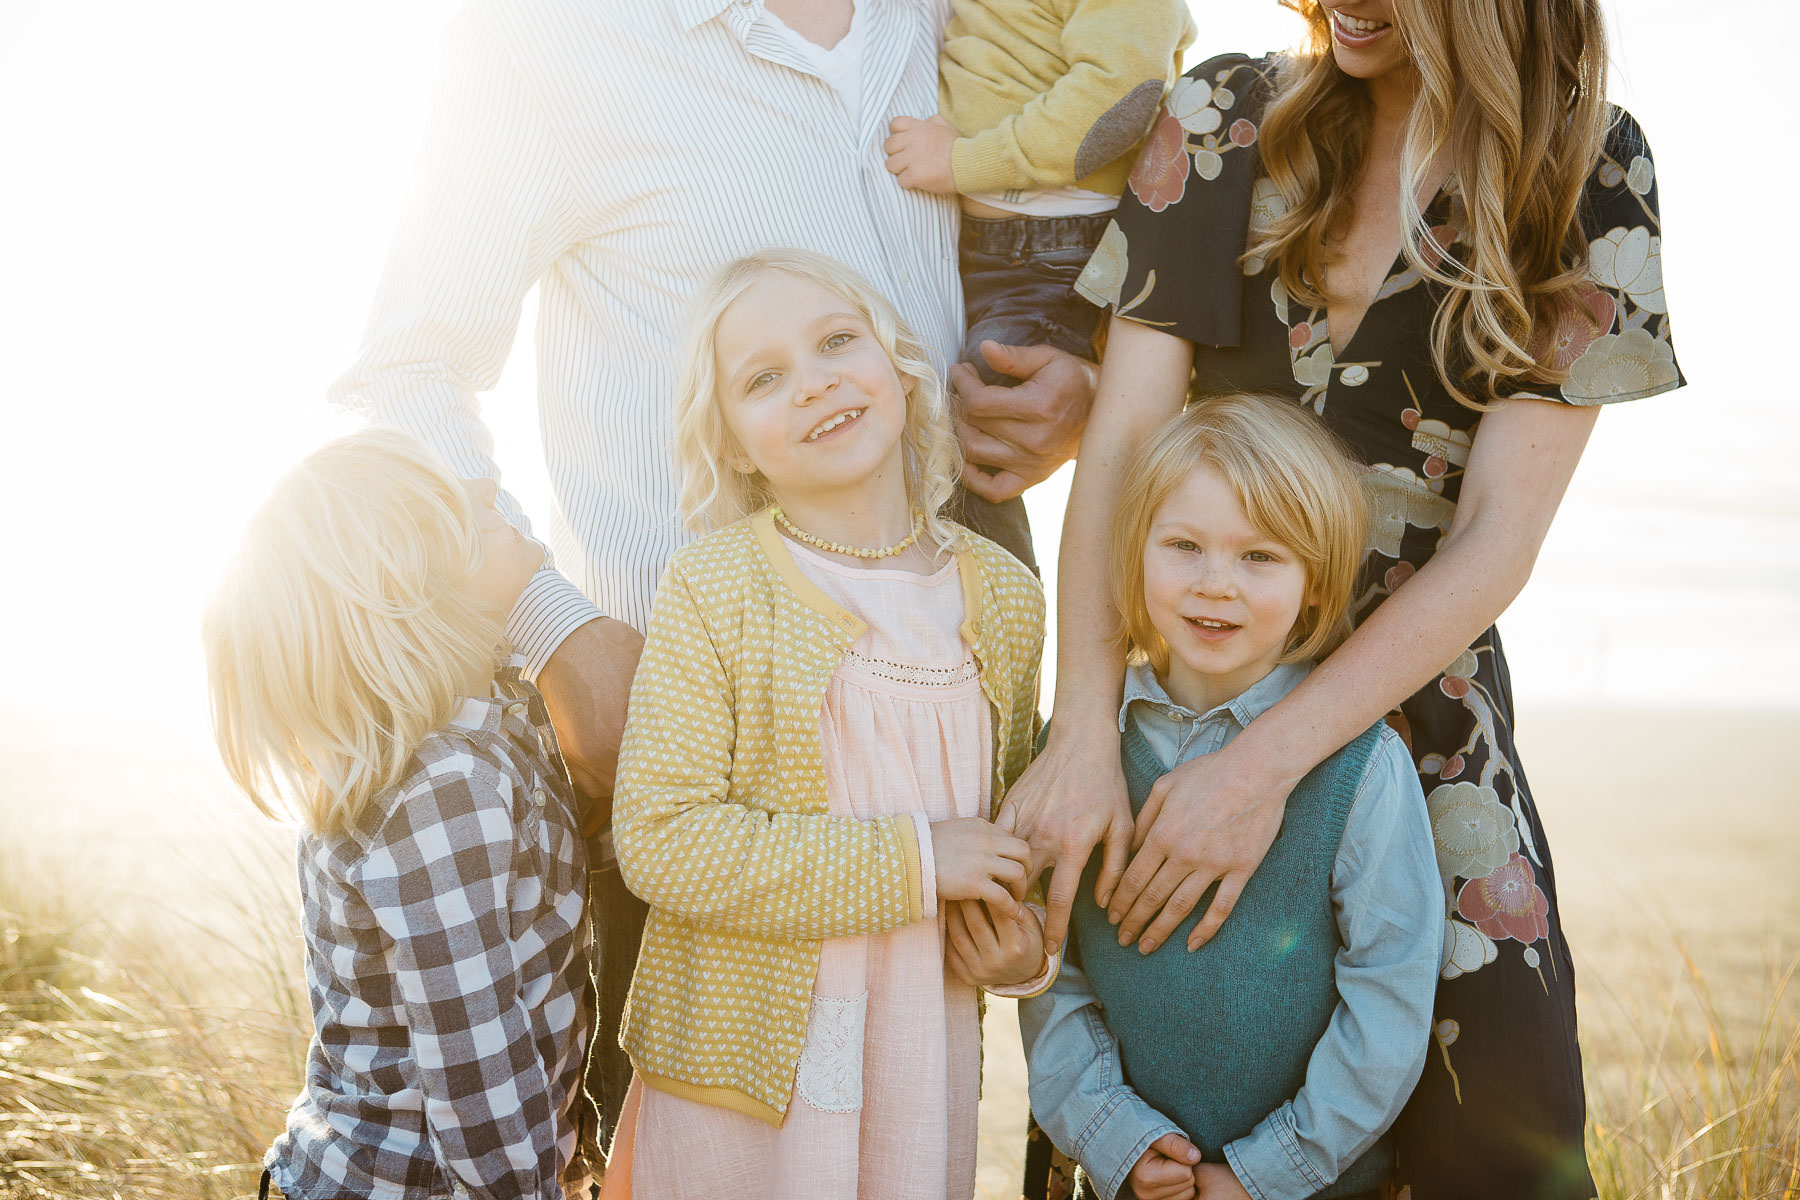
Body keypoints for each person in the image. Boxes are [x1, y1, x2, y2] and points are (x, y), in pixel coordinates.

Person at [330, 0, 1098, 1137]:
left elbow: (1052, 193)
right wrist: (552, 628)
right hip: (697, 722)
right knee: (712, 1131)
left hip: (946, 665)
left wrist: (1081, 364)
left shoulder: (941, 12)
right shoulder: (550, 40)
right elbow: (403, 375)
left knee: (904, 1109)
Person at [1005, 2, 1685, 1197]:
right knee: (1146, 1084)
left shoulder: (1586, 172)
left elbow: (1493, 540)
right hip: (1185, 701)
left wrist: (1265, 769)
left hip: (1420, 714)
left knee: (1500, 1121)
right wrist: (1082, 734)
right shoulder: (1218, 121)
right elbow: (1121, 448)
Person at [605, 249, 1051, 1199]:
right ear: (730, 442)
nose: (815, 384)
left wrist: (1025, 950)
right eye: (764, 379)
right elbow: (661, 839)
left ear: (898, 365)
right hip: (745, 1090)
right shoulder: (714, 586)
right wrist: (919, 863)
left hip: (916, 1069)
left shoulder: (1006, 599)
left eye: (837, 342)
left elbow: (1018, 845)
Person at [1020, 395, 1440, 1200]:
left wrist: (1264, 1174)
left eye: (1261, 557)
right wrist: (1116, 1138)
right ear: (1134, 554)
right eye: (1183, 545)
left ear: (1317, 584)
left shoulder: (1363, 768)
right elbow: (1055, 974)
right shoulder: (1082, 756)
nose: (1217, 585)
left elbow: (1389, 993)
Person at [202, 431, 593, 1199]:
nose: (482, 489)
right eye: (444, 506)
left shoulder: (488, 725)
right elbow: (479, 1086)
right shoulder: (438, 792)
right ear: (407, 590)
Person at [883, 0, 1195, 567]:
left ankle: (996, 623)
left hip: (1054, 248)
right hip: (995, 241)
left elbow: (1119, 101)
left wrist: (961, 162)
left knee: (984, 424)